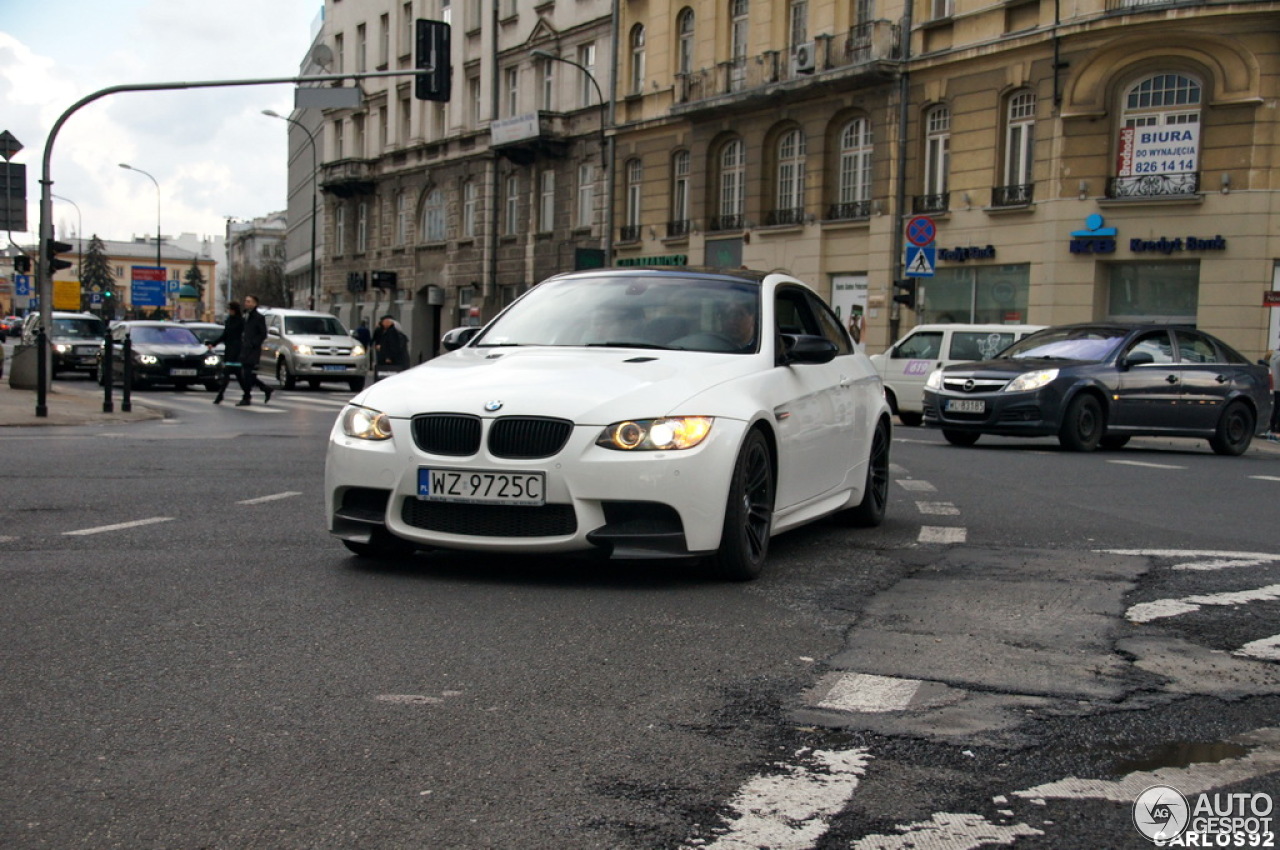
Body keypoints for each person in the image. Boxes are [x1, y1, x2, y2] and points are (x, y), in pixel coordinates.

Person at [236, 294, 273, 406]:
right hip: (244, 349)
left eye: (249, 301)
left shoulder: (258, 317)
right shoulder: (246, 316)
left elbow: (263, 334)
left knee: (247, 374)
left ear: (255, 303)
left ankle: (247, 397)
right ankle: (265, 388)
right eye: (246, 301)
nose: (246, 303)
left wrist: (253, 344)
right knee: (248, 375)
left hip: (252, 351)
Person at [206, 301, 243, 405]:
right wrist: (213, 344)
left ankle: (221, 395)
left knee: (232, 374)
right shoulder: (229, 320)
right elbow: (224, 335)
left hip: (237, 351)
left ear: (235, 310)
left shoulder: (241, 321)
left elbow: (243, 336)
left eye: (231, 309)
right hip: (229, 350)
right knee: (234, 375)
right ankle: (221, 395)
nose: (229, 311)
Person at [373, 315, 410, 381]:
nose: (382, 324)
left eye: (383, 322)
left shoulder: (392, 333)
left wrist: (388, 357)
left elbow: (393, 346)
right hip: (395, 361)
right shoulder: (390, 332)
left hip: (393, 362)